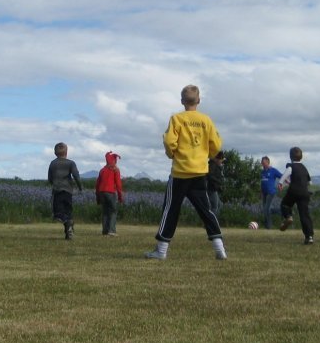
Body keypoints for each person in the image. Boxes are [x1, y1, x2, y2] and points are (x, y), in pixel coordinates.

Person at [145, 85, 227, 261]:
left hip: (180, 174)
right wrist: (208, 155)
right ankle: (219, 247)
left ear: (182, 101)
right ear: (199, 101)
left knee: (170, 210)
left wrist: (172, 154)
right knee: (206, 211)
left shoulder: (177, 119)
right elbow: (216, 144)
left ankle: (161, 251)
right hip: (199, 173)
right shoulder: (206, 120)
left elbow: (169, 141)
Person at [279, 147, 314, 245]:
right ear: (301, 157)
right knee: (304, 215)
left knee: (285, 204)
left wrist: (281, 182)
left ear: (290, 157)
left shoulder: (291, 166)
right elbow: (310, 182)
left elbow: (287, 173)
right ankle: (309, 237)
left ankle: (288, 217)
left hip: (294, 191)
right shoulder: (304, 168)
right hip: (304, 193)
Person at [48, 142, 83, 240]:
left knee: (58, 213)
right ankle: (69, 233)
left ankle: (68, 224)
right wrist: (80, 187)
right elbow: (76, 176)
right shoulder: (71, 163)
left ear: (55, 152)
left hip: (57, 191)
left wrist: (53, 183)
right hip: (68, 192)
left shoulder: (53, 163)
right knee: (68, 212)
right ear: (66, 152)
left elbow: (50, 178)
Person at [96, 151, 125, 236]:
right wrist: (120, 197)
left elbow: (97, 185)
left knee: (105, 212)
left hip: (101, 193)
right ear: (114, 161)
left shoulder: (102, 170)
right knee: (113, 211)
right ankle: (111, 230)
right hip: (111, 193)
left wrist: (97, 197)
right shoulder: (116, 170)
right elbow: (118, 185)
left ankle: (105, 231)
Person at [260, 155, 282, 229]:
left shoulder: (273, 170)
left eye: (264, 162)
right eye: (262, 162)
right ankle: (280, 211)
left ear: (268, 162)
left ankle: (268, 227)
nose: (262, 164)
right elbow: (262, 182)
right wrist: (260, 192)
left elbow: (282, 176)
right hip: (264, 193)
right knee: (265, 209)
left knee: (266, 209)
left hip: (271, 192)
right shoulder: (262, 172)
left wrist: (281, 184)